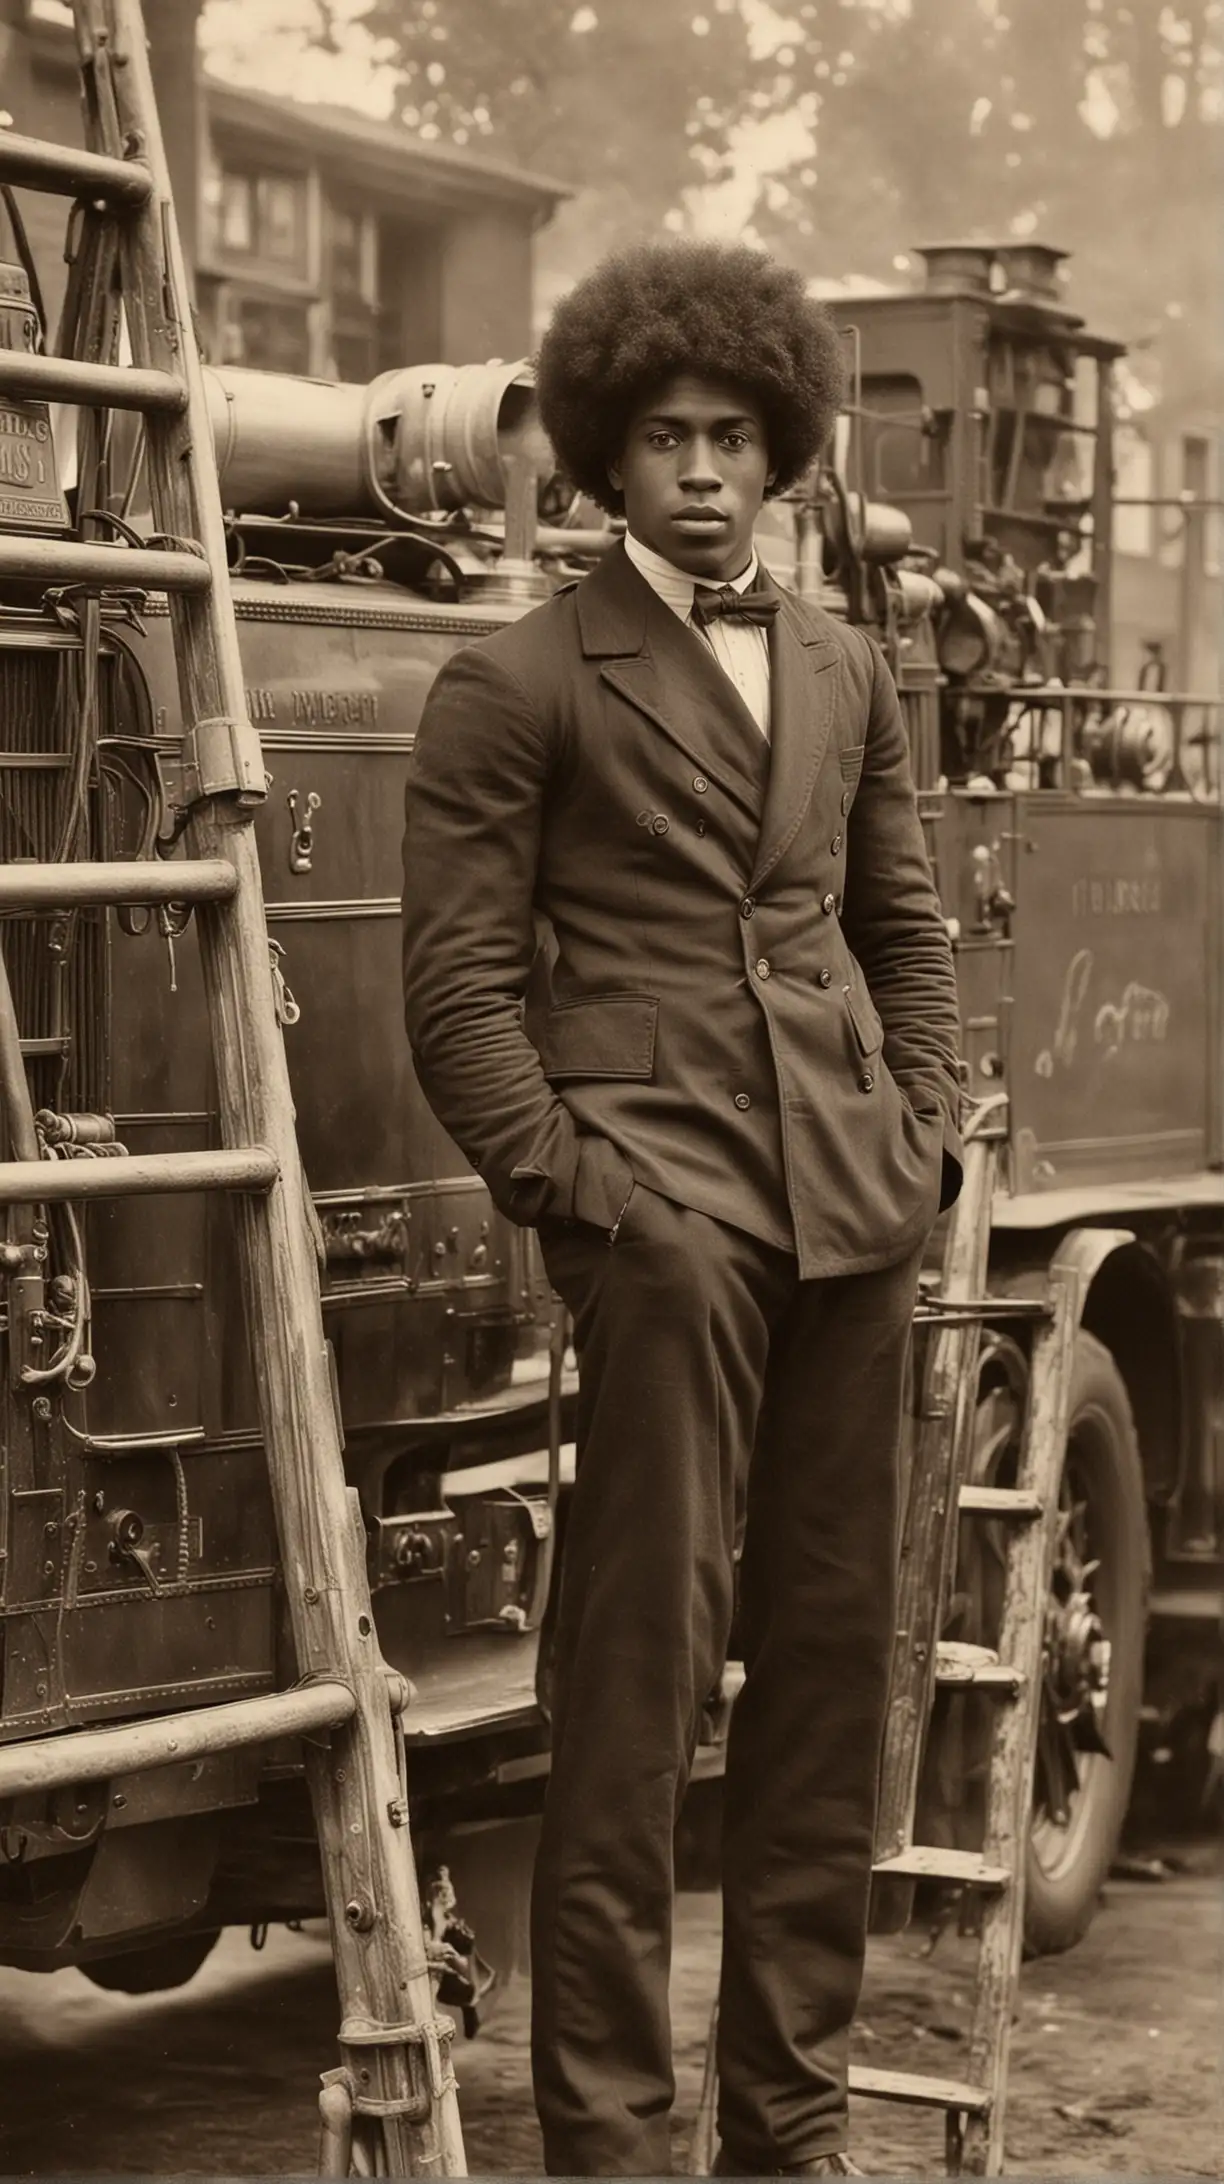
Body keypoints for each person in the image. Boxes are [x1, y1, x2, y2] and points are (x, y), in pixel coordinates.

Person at [401, 240, 963, 2179]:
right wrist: (593, 1206)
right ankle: (615, 2145)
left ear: (783, 448)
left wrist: (925, 1139)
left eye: (734, 437)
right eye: (666, 439)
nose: (704, 471)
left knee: (824, 1684)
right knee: (633, 1700)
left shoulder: (845, 666)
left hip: (849, 1224)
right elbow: (458, 999)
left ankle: (784, 2132)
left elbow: (900, 928)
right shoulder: (516, 681)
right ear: (604, 459)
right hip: (666, 1235)